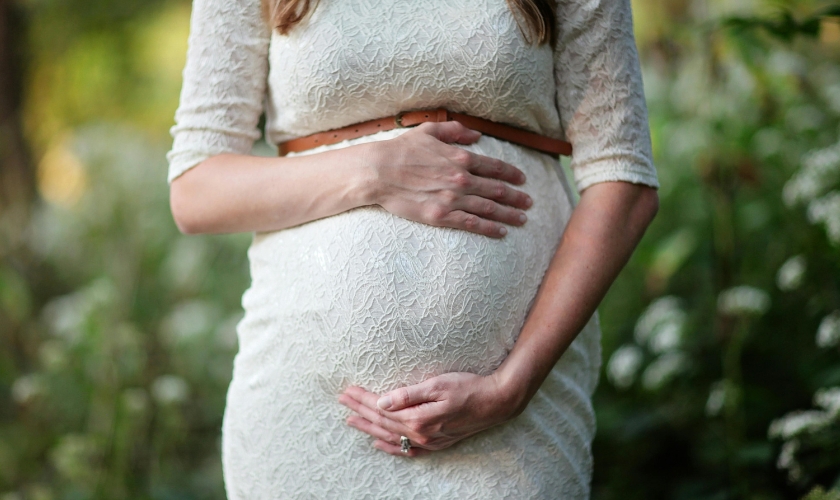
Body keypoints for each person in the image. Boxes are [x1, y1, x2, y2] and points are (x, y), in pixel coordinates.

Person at [166, 0, 659, 497]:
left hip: (513, 425)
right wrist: (374, 172)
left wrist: (511, 387)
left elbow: (623, 180)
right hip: (305, 416)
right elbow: (195, 190)